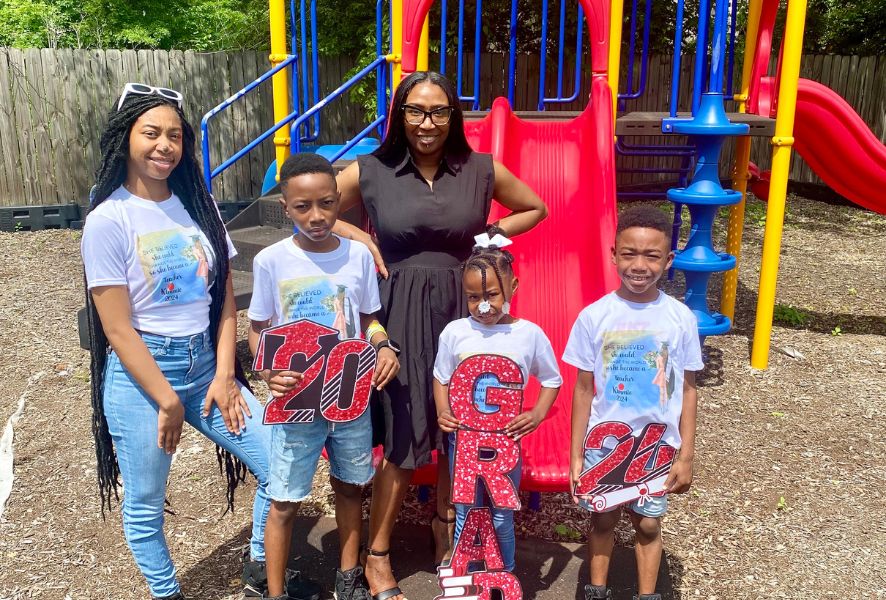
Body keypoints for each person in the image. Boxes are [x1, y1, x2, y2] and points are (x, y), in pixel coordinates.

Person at [335, 70, 548, 600]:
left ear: (453, 116)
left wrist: (495, 234)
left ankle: (445, 529)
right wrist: (360, 236)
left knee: (466, 426)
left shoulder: (478, 169)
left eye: (438, 111)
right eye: (415, 111)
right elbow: (307, 206)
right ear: (399, 115)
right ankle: (377, 553)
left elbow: (535, 207)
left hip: (466, 308)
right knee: (406, 434)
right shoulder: (372, 168)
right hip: (401, 307)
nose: (427, 123)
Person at [81, 84, 279, 600]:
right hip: (144, 379)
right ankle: (168, 594)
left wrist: (224, 375)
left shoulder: (199, 204)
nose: (164, 145)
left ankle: (261, 565)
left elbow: (226, 302)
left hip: (207, 370)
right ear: (125, 139)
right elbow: (117, 327)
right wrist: (166, 399)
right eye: (151, 133)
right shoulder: (108, 219)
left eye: (175, 135)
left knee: (280, 460)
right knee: (145, 506)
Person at [247, 153, 401, 600]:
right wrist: (268, 368)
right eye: (303, 207)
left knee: (351, 488)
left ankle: (348, 580)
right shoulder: (272, 261)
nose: (317, 216)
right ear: (284, 206)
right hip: (296, 401)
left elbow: (368, 318)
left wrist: (383, 343)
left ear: (340, 202)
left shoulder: (356, 256)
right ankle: (274, 593)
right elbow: (259, 328)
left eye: (327, 204)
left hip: (350, 396)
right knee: (285, 499)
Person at [563, 205, 704, 600]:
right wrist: (576, 455)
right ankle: (597, 590)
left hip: (657, 446)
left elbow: (689, 389)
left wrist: (686, 455)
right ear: (613, 254)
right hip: (604, 444)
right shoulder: (595, 317)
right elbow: (583, 390)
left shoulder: (679, 319)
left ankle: (647, 595)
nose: (639, 265)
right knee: (603, 518)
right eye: (629, 254)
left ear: (668, 260)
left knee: (647, 525)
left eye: (652, 255)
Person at [433, 238, 561, 573]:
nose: (483, 306)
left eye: (491, 295)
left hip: (504, 444)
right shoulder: (455, 332)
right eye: (473, 297)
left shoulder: (529, 335)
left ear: (513, 286)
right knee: (465, 509)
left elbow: (552, 379)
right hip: (464, 442)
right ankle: (467, 574)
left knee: (502, 513)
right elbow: (440, 377)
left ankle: (504, 575)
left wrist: (536, 414)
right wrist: (441, 410)